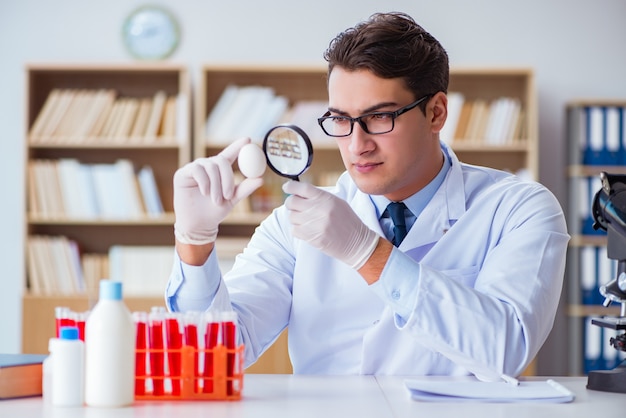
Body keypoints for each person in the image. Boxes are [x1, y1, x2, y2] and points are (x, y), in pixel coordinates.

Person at [166, 11, 569, 379]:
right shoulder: (293, 225)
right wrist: (194, 244)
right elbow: (214, 358)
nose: (357, 145)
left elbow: (506, 351)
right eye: (341, 119)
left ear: (437, 113)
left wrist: (368, 254)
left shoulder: (520, 208)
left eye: (379, 117)